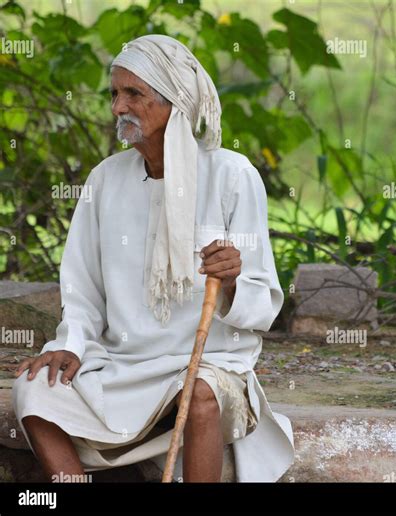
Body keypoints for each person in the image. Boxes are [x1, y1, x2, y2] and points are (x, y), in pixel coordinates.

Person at [12, 34, 295, 483]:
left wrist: (235, 279)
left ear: (175, 103)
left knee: (200, 394)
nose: (117, 108)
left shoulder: (233, 176)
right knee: (33, 390)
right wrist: (71, 342)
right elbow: (82, 290)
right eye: (114, 94)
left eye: (133, 94)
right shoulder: (104, 179)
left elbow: (263, 309)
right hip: (121, 366)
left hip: (205, 362)